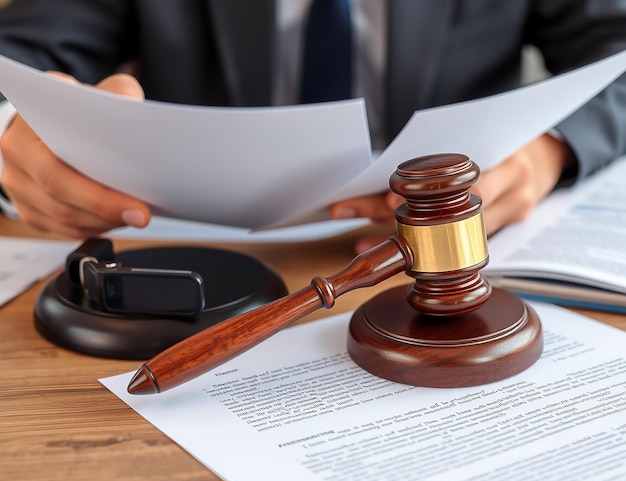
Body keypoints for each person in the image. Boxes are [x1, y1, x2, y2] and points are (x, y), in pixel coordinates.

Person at [0, 1, 624, 253]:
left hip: (438, 247)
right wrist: (13, 143)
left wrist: (546, 154)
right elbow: (16, 56)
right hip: (193, 254)